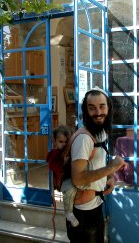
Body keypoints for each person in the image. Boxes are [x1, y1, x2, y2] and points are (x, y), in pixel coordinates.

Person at [66, 87, 126, 243]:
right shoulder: (84, 139)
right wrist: (112, 167)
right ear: (85, 111)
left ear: (109, 107)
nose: (98, 112)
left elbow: (98, 162)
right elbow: (78, 179)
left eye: (102, 106)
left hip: (96, 205)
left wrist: (110, 177)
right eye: (91, 108)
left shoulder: (100, 133)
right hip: (84, 213)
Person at [46, 125, 80, 227]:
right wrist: (63, 163)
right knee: (69, 189)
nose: (64, 144)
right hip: (64, 180)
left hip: (74, 176)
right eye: (61, 142)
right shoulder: (54, 153)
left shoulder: (70, 151)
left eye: (66, 142)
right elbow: (52, 165)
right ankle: (68, 212)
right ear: (55, 141)